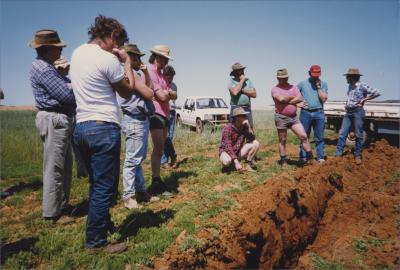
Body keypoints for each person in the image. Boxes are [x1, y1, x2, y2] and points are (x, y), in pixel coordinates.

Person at [70, 15, 136, 253]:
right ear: (111, 36)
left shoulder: (77, 54)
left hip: (81, 128)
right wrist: (126, 62)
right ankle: (95, 242)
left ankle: (102, 224)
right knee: (104, 187)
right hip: (103, 127)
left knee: (96, 182)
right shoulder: (108, 59)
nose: (118, 48)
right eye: (118, 43)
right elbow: (127, 91)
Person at [29, 29, 76, 224]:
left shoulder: (47, 68)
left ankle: (60, 206)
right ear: (48, 49)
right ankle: (52, 212)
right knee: (55, 167)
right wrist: (72, 85)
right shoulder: (44, 69)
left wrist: (65, 79)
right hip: (55, 118)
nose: (61, 51)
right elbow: (67, 96)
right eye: (58, 48)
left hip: (57, 119)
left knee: (63, 166)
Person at [118, 44, 160, 209]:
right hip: (134, 120)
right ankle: (129, 196)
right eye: (137, 57)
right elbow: (150, 93)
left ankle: (141, 192)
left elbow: (148, 89)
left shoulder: (135, 73)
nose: (139, 60)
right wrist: (150, 91)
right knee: (132, 160)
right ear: (131, 57)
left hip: (139, 120)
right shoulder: (129, 73)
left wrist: (146, 72)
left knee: (137, 159)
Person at [146, 45, 177, 195]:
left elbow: (171, 94)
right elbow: (164, 96)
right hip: (156, 114)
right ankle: (155, 182)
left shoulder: (161, 74)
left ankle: (157, 181)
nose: (165, 61)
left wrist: (167, 94)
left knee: (160, 149)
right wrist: (168, 94)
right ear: (157, 57)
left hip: (164, 114)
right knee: (158, 149)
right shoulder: (151, 71)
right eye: (164, 58)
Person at [335, 68, 380, 164]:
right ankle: (338, 155)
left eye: (347, 76)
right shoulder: (350, 86)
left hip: (357, 112)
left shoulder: (361, 85)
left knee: (359, 134)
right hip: (348, 112)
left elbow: (376, 92)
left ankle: (357, 155)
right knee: (343, 134)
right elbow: (350, 97)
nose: (346, 78)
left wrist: (365, 99)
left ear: (352, 77)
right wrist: (346, 104)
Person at [271, 69, 314, 167]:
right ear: (278, 78)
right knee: (282, 140)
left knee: (303, 136)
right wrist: (292, 98)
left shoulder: (293, 87)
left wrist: (287, 99)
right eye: (281, 78)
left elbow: (300, 98)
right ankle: (284, 161)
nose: (284, 80)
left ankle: (311, 158)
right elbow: (280, 99)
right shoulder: (275, 89)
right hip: (281, 117)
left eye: (285, 78)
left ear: (288, 77)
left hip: (293, 117)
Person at [54, 56, 88, 178]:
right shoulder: (58, 82)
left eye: (68, 66)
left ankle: (82, 171)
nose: (67, 68)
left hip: (73, 115)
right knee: (65, 147)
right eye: (65, 67)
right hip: (63, 117)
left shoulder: (68, 81)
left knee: (77, 145)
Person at [297, 65, 328, 164]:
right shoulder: (302, 84)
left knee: (319, 137)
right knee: (304, 136)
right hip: (306, 113)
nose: (316, 77)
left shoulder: (324, 84)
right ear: (309, 73)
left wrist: (318, 87)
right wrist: (298, 103)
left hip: (319, 112)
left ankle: (320, 157)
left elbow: (323, 99)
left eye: (317, 75)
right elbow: (293, 94)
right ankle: (303, 158)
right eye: (314, 75)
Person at [219, 107, 259, 173]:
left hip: (237, 151)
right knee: (227, 161)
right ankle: (228, 166)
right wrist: (236, 162)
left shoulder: (244, 126)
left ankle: (248, 165)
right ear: (237, 118)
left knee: (255, 144)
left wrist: (248, 126)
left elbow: (252, 138)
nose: (246, 117)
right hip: (226, 152)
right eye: (243, 116)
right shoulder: (228, 128)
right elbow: (228, 147)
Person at [228, 62, 257, 127]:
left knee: (249, 129)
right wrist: (242, 80)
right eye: (240, 70)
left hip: (247, 108)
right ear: (235, 72)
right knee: (234, 128)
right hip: (236, 108)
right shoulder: (231, 81)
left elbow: (254, 94)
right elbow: (235, 92)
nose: (242, 71)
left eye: (242, 69)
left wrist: (241, 90)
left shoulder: (248, 80)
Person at [161, 65, 178, 168]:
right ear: (164, 75)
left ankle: (166, 160)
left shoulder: (174, 85)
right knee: (164, 137)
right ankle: (170, 158)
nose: (171, 78)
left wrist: (169, 93)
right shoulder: (160, 84)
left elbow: (174, 96)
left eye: (172, 76)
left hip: (172, 111)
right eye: (169, 76)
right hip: (163, 111)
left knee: (169, 137)